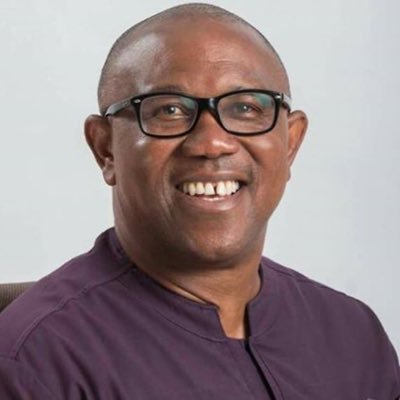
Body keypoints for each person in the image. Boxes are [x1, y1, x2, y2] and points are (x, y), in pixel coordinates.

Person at [0, 3, 399, 399]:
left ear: (290, 143)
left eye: (245, 107)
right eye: (169, 110)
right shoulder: (37, 363)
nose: (212, 143)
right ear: (106, 149)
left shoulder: (354, 336)